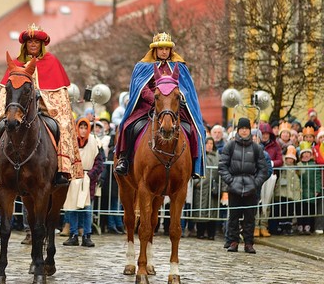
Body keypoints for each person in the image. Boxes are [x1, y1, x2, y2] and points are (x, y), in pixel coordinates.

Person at [0, 23, 82, 186]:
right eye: (30, 42)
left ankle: (62, 169)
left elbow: (59, 98)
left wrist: (42, 99)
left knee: (63, 126)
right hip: (16, 109)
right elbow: (7, 92)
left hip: (46, 110)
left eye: (36, 42)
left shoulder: (52, 62)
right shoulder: (15, 64)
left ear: (41, 45)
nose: (33, 44)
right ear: (25, 45)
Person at [114, 32, 206, 177]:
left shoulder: (179, 67)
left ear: (170, 50)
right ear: (155, 50)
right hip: (147, 106)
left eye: (167, 49)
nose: (164, 51)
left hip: (173, 107)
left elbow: (186, 88)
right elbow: (141, 87)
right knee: (127, 126)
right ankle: (124, 159)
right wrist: (155, 99)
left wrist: (177, 98)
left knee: (194, 129)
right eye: (161, 48)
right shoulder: (142, 66)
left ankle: (194, 165)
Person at [218, 117, 268, 253]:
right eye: (242, 129)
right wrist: (231, 181)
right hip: (234, 186)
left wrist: (255, 183)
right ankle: (233, 241)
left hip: (251, 187)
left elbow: (263, 169)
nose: (244, 131)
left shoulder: (256, 148)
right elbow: (222, 166)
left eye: (246, 128)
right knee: (233, 216)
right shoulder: (230, 146)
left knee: (249, 217)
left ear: (249, 130)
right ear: (238, 130)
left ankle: (248, 243)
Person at [62, 118, 104, 247]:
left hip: (88, 179)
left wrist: (90, 175)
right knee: (72, 208)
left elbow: (99, 162)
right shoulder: (71, 141)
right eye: (81, 127)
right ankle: (73, 235)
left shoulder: (94, 142)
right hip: (74, 178)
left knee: (87, 209)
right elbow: (66, 159)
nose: (83, 130)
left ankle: (87, 235)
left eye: (86, 128)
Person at [192, 137, 220, 240]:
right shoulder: (200, 156)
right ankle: (200, 232)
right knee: (201, 210)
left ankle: (211, 233)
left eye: (211, 143)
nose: (209, 145)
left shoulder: (218, 157)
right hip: (201, 187)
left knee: (212, 211)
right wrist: (196, 182)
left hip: (213, 188)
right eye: (207, 143)